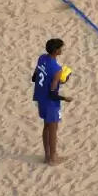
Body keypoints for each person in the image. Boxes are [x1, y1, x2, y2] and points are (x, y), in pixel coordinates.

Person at [32, 37, 73, 166]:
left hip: (40, 97)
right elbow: (53, 94)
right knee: (53, 129)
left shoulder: (42, 58)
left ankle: (47, 156)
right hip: (50, 102)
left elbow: (34, 77)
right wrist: (65, 98)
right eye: (61, 48)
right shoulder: (56, 69)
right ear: (56, 51)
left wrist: (54, 79)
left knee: (46, 127)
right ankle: (53, 158)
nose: (62, 50)